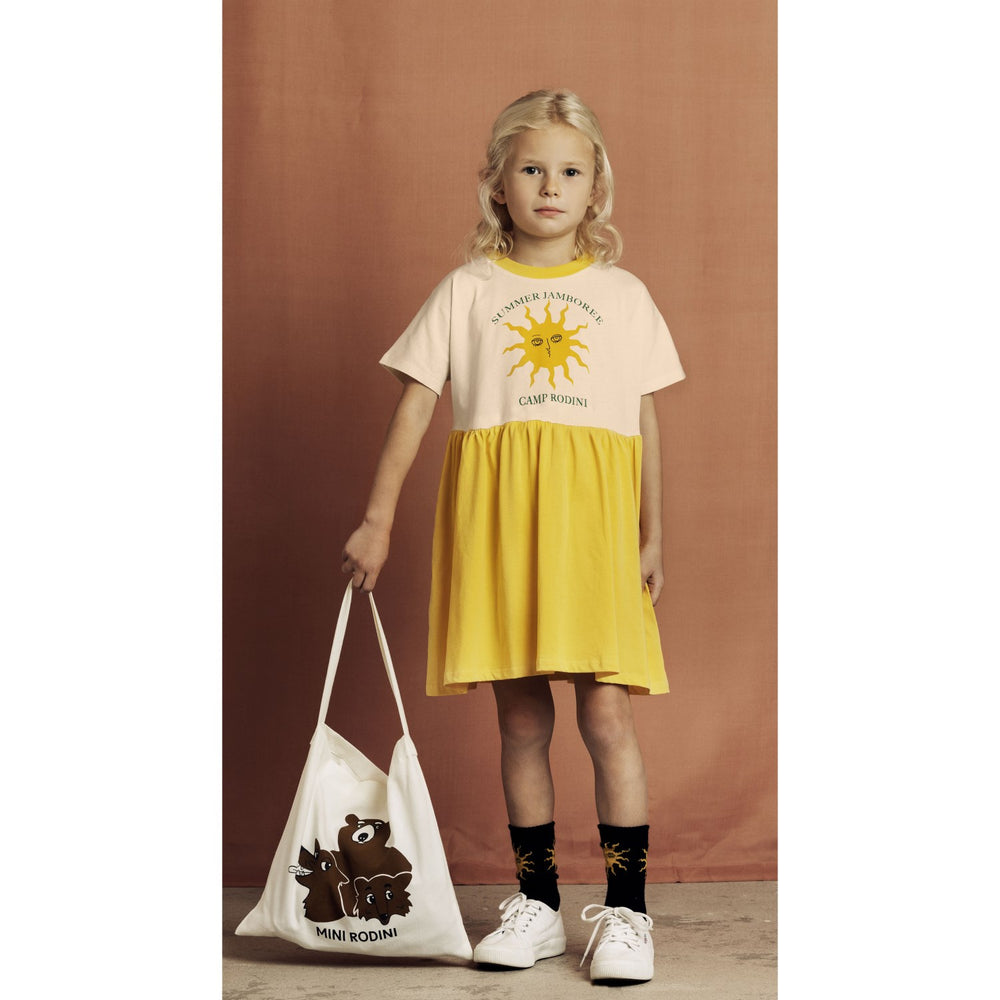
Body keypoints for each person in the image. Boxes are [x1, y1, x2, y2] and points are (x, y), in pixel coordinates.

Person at [341, 89, 685, 984]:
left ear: (596, 188)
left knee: (606, 713)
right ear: (498, 183)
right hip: (499, 527)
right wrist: (377, 520)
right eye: (531, 169)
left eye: (570, 171)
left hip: (594, 530)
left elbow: (644, 420)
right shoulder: (468, 290)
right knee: (522, 717)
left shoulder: (624, 295)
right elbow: (416, 405)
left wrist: (653, 534)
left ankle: (628, 913)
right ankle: (537, 905)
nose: (550, 186)